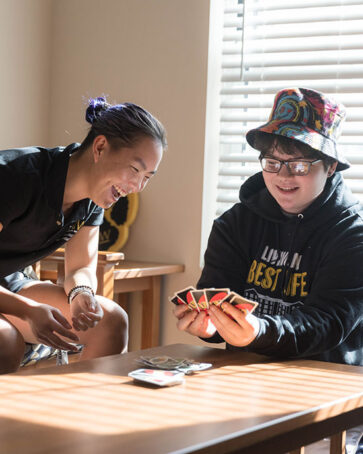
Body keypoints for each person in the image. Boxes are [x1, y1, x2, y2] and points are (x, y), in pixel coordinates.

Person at [174, 87, 363, 367]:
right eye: (272, 162)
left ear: (331, 165)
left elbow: (329, 322)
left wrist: (260, 331)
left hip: (326, 379)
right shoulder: (234, 224)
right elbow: (216, 299)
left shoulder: (353, 234)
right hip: (244, 376)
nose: (283, 176)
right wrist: (209, 327)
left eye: (298, 165)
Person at [0, 97, 166, 373]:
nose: (136, 186)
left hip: (8, 282)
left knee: (111, 321)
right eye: (135, 169)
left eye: (147, 177)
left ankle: (82, 413)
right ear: (100, 147)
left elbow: (79, 266)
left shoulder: (92, 199)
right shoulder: (15, 178)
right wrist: (27, 309)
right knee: (5, 340)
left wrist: (81, 294)